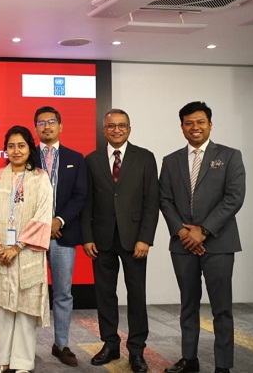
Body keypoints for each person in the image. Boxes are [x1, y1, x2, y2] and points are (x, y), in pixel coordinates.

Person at [159, 102, 245, 373]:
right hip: (183, 244)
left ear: (210, 124)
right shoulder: (171, 160)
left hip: (219, 243)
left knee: (222, 308)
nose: (194, 127)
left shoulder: (230, 156)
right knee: (188, 304)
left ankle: (223, 366)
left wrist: (203, 230)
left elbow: (234, 197)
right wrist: (183, 232)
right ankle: (189, 359)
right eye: (189, 123)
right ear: (182, 127)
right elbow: (165, 199)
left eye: (200, 122)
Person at [81, 109, 159, 373]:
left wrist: (145, 238)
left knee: (136, 295)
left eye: (122, 125)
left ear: (129, 129)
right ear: (104, 130)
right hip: (101, 239)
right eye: (111, 126)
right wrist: (87, 237)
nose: (117, 130)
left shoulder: (145, 157)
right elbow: (86, 202)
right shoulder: (91, 160)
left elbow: (152, 202)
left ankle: (136, 350)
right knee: (104, 294)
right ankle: (110, 344)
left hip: (134, 239)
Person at [0, 125, 52, 373]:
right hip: (0, 253)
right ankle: (2, 361)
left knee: (25, 310)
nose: (16, 150)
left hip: (28, 253)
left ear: (29, 148)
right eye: (11, 146)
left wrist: (17, 247)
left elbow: (43, 215)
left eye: (21, 145)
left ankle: (22, 363)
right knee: (4, 309)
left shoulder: (40, 178)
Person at [33, 106, 87, 367]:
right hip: (32, 236)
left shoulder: (76, 158)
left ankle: (62, 344)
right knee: (30, 292)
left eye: (51, 121)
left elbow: (80, 195)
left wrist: (58, 220)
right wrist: (43, 224)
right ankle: (25, 347)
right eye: (41, 122)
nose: (47, 126)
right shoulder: (26, 156)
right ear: (35, 128)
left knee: (63, 293)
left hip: (62, 235)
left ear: (61, 126)